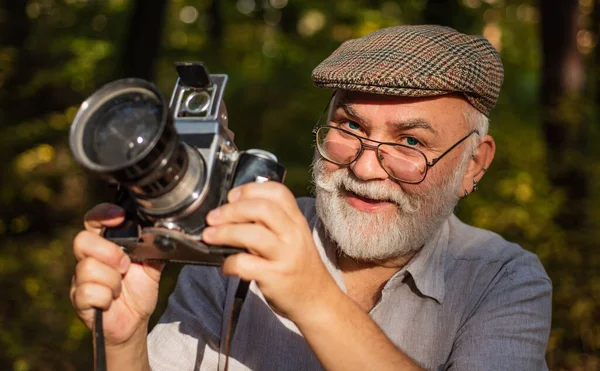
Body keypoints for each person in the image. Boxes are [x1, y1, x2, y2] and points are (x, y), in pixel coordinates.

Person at [70, 25, 552, 370]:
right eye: (350, 127)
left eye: (410, 143)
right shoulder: (240, 233)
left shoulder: (502, 278)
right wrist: (124, 341)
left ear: (474, 165)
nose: (364, 167)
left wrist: (314, 298)